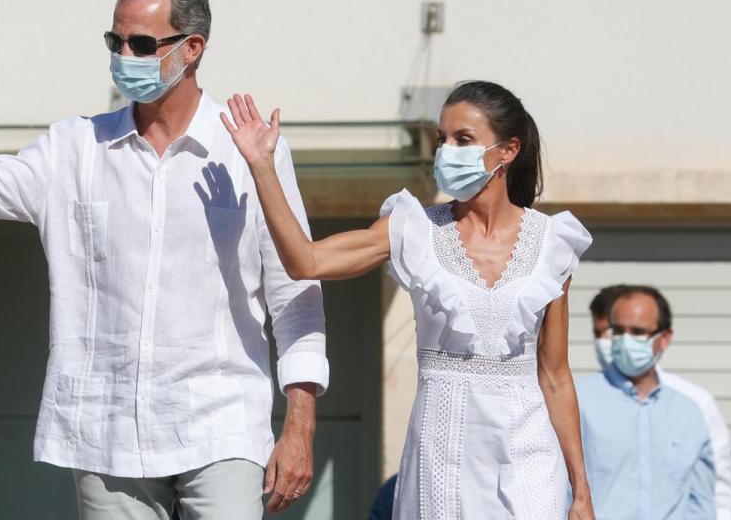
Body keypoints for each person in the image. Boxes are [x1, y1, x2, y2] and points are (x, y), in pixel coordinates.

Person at [0, 0, 328, 519]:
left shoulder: (251, 149)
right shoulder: (74, 148)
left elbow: (296, 293)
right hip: (105, 430)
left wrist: (300, 428)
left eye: (142, 44)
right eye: (115, 41)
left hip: (222, 425)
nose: (125, 55)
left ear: (192, 48)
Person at [222, 81, 595, 519]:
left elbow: (554, 375)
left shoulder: (553, 243)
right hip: (442, 447)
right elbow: (307, 261)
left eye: (464, 140)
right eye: (443, 139)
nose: (447, 151)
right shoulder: (412, 228)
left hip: (529, 453)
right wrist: (263, 168)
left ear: (508, 150)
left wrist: (581, 491)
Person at [589, 285, 731, 519]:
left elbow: (709, 495)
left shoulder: (691, 408)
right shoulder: (577, 401)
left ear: (664, 338)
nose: (626, 340)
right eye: (618, 331)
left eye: (638, 332)